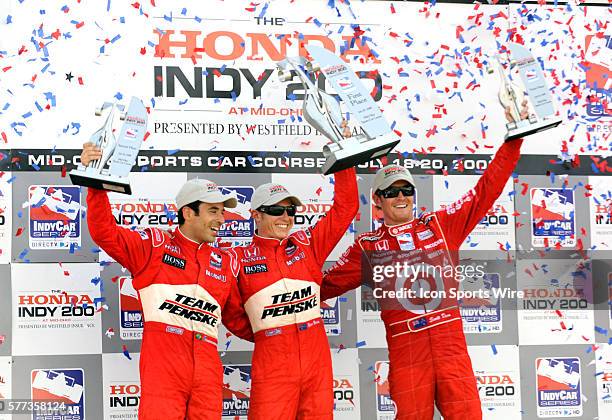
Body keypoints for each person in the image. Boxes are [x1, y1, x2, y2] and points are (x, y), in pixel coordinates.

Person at [321, 113, 526, 419]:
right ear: (377, 201)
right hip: (407, 350)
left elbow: (487, 190)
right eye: (391, 192)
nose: (400, 197)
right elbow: (323, 286)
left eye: (406, 190)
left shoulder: (441, 226)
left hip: (450, 345)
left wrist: (514, 140)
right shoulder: (367, 246)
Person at [81, 143, 253, 420]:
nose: (222, 219)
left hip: (208, 369)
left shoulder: (225, 260)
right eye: (213, 211)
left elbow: (235, 317)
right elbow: (105, 233)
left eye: (223, 212)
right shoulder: (155, 245)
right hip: (164, 365)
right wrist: (95, 185)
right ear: (188, 212)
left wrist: (280, 336)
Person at [226, 166, 359, 419]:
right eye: (276, 210)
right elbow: (231, 314)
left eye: (290, 210)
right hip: (273, 363)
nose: (285, 217)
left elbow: (346, 208)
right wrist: (267, 335)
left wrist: (346, 160)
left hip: (316, 360)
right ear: (255, 214)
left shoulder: (306, 244)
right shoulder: (238, 259)